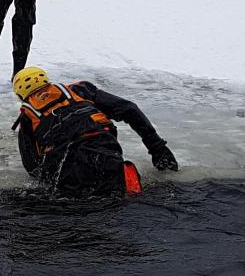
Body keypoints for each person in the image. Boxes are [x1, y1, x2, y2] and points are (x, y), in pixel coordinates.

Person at [11, 66, 179, 196]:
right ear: (47, 80)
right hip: (105, 149)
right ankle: (123, 175)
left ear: (21, 96)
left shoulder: (27, 119)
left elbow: (32, 167)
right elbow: (129, 109)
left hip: (70, 170)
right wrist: (158, 149)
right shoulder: (79, 90)